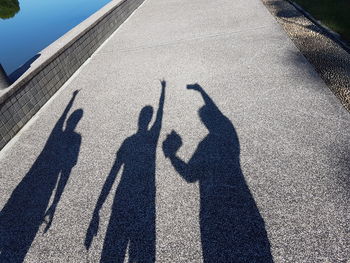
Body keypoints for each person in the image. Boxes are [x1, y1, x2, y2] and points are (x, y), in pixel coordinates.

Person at [163, 83, 273, 262]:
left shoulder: (207, 145)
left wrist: (172, 155)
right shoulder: (229, 134)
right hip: (241, 201)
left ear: (205, 122)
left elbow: (190, 175)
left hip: (214, 208)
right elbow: (217, 113)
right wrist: (201, 92)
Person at [85, 80, 166, 263]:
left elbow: (113, 173)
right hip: (145, 194)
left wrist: (97, 208)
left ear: (139, 120)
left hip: (124, 195)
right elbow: (160, 116)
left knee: (115, 248)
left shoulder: (129, 142)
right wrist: (163, 91)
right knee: (144, 249)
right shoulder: (151, 137)